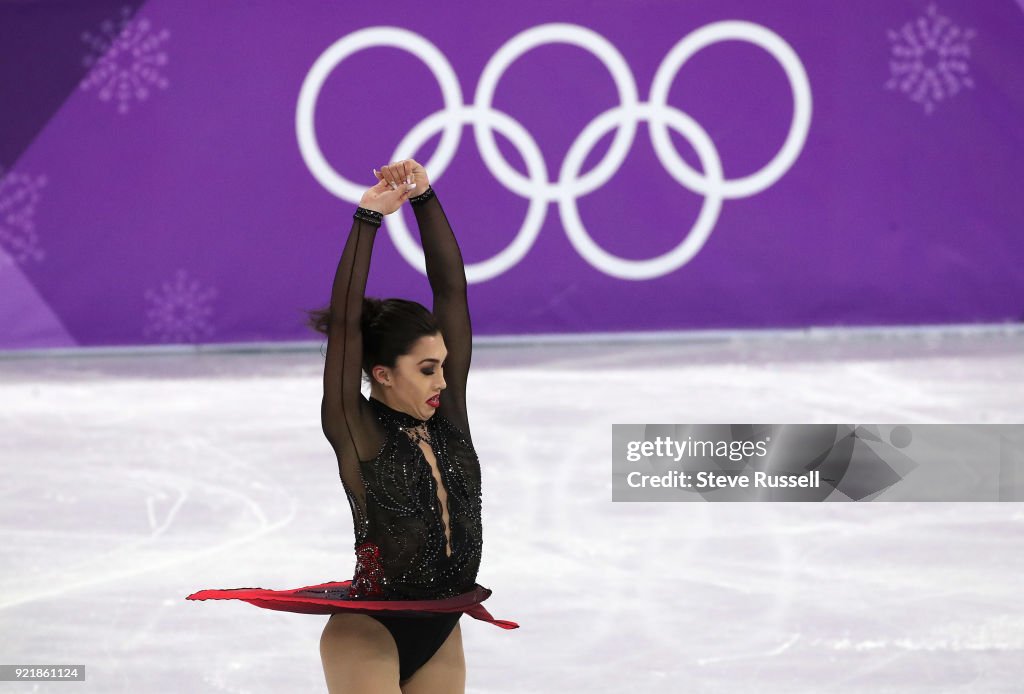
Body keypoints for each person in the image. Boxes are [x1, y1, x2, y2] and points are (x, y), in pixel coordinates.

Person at [186, 159, 517, 693]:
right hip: (370, 632)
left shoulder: (448, 416)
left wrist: (425, 198)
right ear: (382, 374)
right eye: (427, 369)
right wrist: (368, 218)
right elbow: (344, 325)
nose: (443, 379)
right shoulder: (357, 427)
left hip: (441, 622)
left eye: (443, 365)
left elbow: (452, 292)